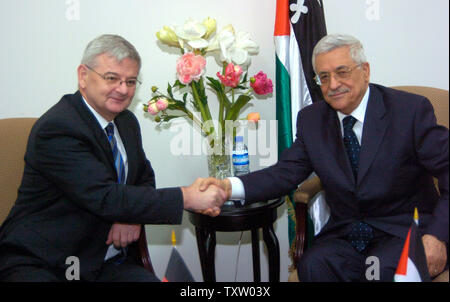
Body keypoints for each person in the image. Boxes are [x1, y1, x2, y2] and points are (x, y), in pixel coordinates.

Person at [200, 34, 449, 281]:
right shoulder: (312, 120)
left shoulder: (409, 111)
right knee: (314, 265)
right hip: (347, 235)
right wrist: (227, 187)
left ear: (365, 71)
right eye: (324, 77)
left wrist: (437, 236)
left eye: (342, 72)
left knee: (379, 272)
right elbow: (285, 173)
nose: (332, 85)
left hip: (402, 232)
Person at [0, 34, 227, 282]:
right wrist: (187, 196)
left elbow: (143, 177)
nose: (122, 89)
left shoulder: (126, 121)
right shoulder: (58, 128)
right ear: (83, 76)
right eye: (112, 78)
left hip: (103, 260)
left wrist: (131, 217)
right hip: (45, 261)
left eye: (130, 81)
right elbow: (105, 196)